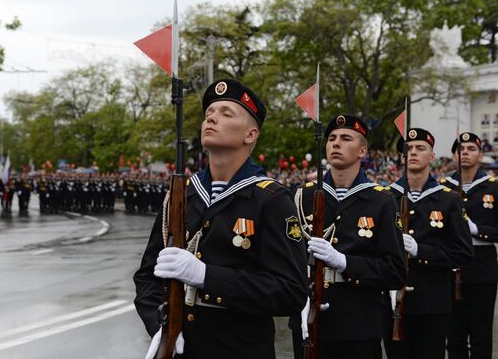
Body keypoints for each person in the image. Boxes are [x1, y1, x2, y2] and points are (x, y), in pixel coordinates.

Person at [134, 79, 308, 359]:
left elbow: (290, 292)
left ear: (250, 135)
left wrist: (207, 276)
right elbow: (147, 276)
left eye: (226, 113)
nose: (212, 117)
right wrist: (160, 327)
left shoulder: (271, 199)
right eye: (209, 113)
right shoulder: (182, 194)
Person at [291, 115, 407, 359]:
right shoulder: (303, 195)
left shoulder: (381, 200)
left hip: (358, 324)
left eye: (345, 138)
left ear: (362, 150)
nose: (336, 143)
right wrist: (299, 298)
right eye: (332, 138)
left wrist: (344, 262)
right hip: (307, 317)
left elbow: (394, 271)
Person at [383, 128, 473, 359]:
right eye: (408, 149)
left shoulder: (448, 199)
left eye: (420, 148)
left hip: (432, 303)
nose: (412, 153)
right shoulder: (385, 197)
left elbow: (463, 253)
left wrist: (420, 251)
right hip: (391, 303)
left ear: (432, 156)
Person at [441, 132, 498, 359]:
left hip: (481, 265)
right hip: (450, 266)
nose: (464, 152)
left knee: (480, 336)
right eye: (460, 149)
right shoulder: (444, 187)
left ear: (480, 154)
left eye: (470, 149)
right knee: (454, 337)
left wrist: (478, 230)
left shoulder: (493, 188)